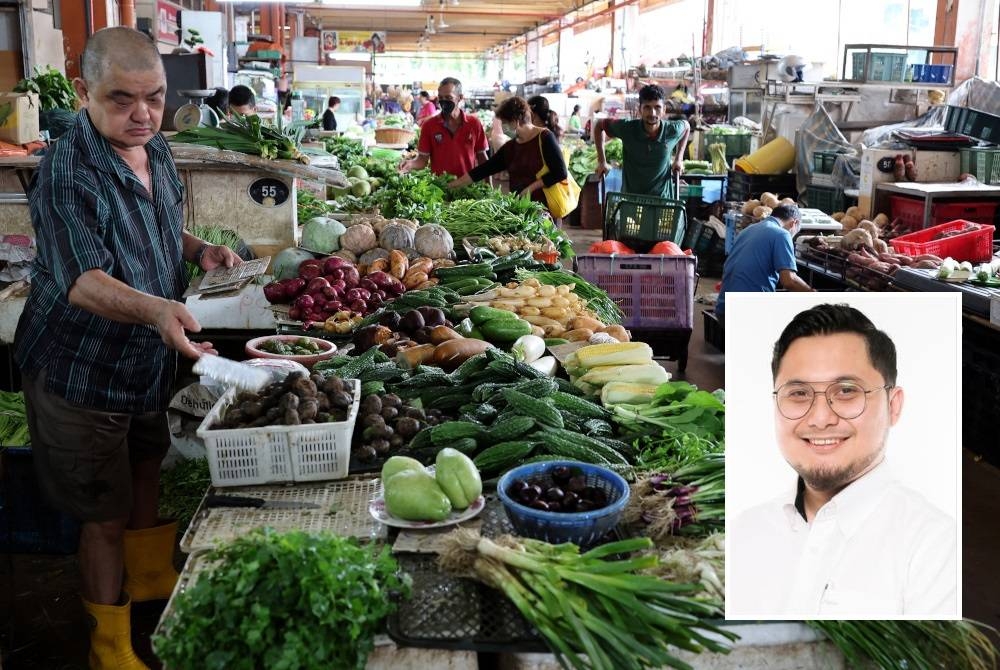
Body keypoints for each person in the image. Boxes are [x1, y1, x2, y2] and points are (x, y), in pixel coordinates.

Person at [13, 26, 241, 669]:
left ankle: (147, 584)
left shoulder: (154, 148)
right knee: (102, 514)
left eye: (155, 97)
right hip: (81, 371)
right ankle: (108, 644)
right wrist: (159, 309)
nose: (142, 114)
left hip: (145, 359)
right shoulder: (66, 170)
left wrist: (200, 250)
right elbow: (84, 282)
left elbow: (162, 219)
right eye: (122, 99)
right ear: (84, 90)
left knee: (146, 471)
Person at [728, 303, 957, 618]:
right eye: (798, 394)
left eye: (847, 391)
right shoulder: (745, 530)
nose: (820, 418)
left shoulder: (934, 545)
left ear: (894, 406)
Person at [448, 96, 569, 221]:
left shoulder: (545, 138)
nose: (504, 127)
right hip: (521, 211)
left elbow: (560, 172)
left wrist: (530, 188)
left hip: (545, 211)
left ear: (516, 121)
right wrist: (455, 184)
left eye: (505, 122)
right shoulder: (511, 147)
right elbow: (485, 169)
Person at [716, 204, 812, 325]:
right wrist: (813, 294)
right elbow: (789, 281)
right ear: (794, 223)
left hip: (723, 310)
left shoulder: (748, 230)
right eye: (794, 233)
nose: (792, 237)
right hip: (747, 314)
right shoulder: (782, 234)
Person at [593, 84, 690, 198]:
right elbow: (599, 125)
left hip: (662, 201)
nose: (652, 113)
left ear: (664, 110)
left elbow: (687, 126)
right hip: (631, 201)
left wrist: (679, 159)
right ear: (640, 109)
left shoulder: (671, 130)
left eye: (657, 107)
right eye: (647, 107)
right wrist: (601, 161)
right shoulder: (627, 128)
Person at [401, 77, 488, 178]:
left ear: (460, 97)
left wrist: (489, 186)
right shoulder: (429, 126)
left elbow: (482, 158)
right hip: (440, 188)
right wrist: (410, 164)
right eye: (440, 98)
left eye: (448, 98)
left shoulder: (474, 124)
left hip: (467, 187)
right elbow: (422, 160)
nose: (444, 102)